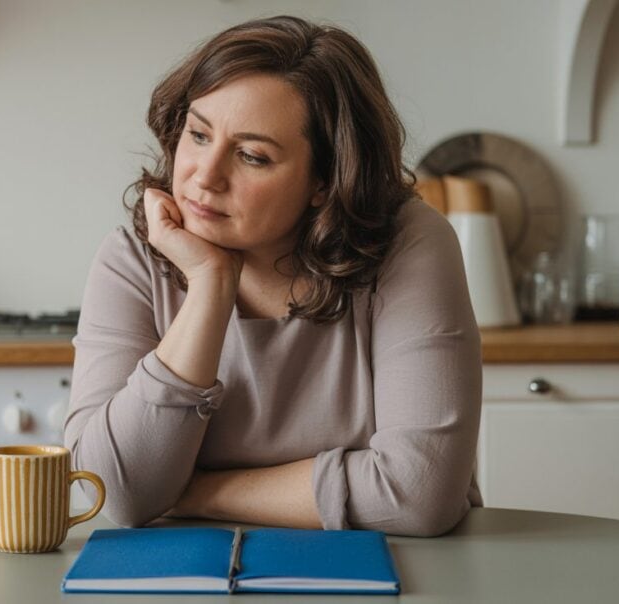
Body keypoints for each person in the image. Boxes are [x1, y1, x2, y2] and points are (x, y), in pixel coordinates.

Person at [64, 15, 482, 537]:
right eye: (198, 134)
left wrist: (194, 493)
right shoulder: (133, 256)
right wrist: (211, 286)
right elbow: (114, 492)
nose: (203, 175)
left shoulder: (410, 244)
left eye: (252, 156)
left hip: (397, 576)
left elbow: (419, 494)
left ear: (326, 182)